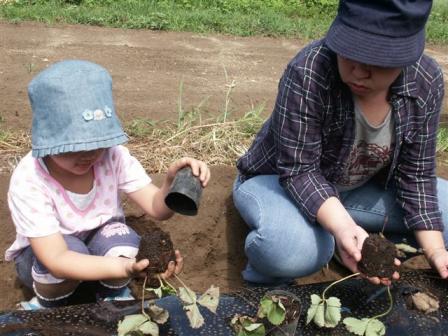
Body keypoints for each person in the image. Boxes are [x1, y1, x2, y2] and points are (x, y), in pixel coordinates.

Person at [233, 0, 448, 286]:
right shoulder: (309, 72)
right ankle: (268, 281)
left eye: (377, 62)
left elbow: (416, 176)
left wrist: (435, 250)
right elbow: (298, 171)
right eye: (350, 54)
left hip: (357, 192)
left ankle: (345, 244)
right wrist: (342, 226)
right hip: (280, 183)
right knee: (289, 250)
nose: (359, 72)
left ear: (406, 56)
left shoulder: (425, 82)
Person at [5, 60, 211, 309]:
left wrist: (171, 182)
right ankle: (47, 304)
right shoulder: (30, 179)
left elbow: (157, 209)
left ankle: (112, 293)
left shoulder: (113, 156)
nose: (89, 155)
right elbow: (57, 257)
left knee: (123, 239)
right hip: (48, 259)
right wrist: (124, 267)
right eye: (75, 146)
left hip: (101, 249)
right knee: (68, 254)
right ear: (48, 139)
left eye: (98, 144)